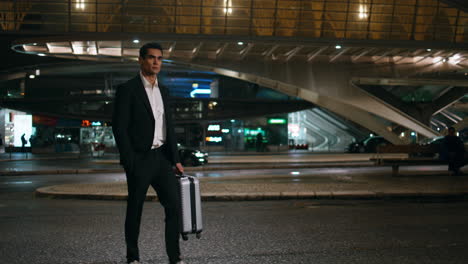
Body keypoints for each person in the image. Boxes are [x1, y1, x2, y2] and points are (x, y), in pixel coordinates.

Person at [112, 43, 186, 264]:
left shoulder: (164, 91)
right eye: (152, 58)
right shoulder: (127, 89)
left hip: (162, 158)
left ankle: (175, 257)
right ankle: (132, 257)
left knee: (173, 207)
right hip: (139, 159)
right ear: (141, 60)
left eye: (160, 59)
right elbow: (119, 127)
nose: (156, 62)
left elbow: (168, 127)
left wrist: (176, 159)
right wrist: (129, 160)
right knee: (135, 209)